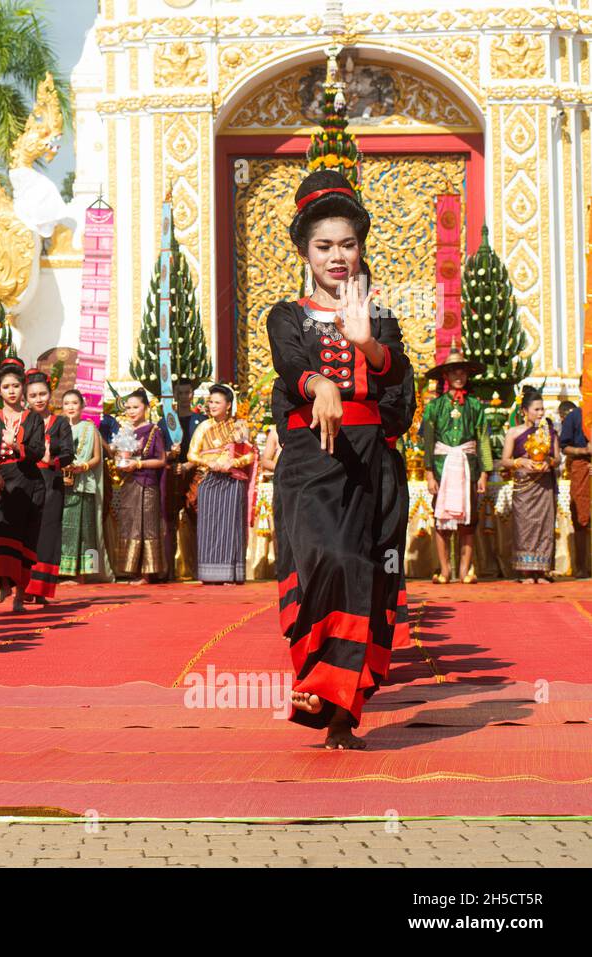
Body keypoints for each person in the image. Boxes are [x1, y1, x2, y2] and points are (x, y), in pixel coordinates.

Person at [269, 168, 411, 750]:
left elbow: (400, 394)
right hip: (311, 464)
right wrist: (319, 386)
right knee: (326, 558)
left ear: (360, 250)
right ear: (305, 250)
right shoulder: (287, 314)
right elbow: (288, 364)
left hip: (373, 468)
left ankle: (338, 712)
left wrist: (366, 343)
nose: (337, 256)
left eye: (347, 245)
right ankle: (316, 678)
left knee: (368, 574)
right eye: (324, 245)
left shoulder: (381, 319)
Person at [422, 345, 492, 584]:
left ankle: (465, 569)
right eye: (454, 372)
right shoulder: (434, 407)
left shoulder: (475, 406)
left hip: (467, 468)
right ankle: (444, 569)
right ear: (446, 376)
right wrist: (429, 474)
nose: (458, 377)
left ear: (467, 375)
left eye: (462, 372)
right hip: (442, 467)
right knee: (441, 520)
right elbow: (428, 442)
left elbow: (482, 438)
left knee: (469, 520)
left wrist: (483, 473)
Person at [0, 357, 45, 611]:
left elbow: (37, 452)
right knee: (1, 532)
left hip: (29, 482)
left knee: (25, 538)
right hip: (0, 480)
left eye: (16, 386)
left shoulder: (33, 419)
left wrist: (14, 444)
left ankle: (20, 594)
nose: (11, 391)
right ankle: (3, 585)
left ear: (23, 388)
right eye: (6, 386)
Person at [189, 384, 255, 585]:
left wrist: (233, 463)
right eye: (210, 401)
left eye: (217, 402)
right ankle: (209, 574)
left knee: (229, 527)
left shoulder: (239, 426)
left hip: (232, 481)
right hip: (209, 481)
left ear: (228, 405)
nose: (212, 405)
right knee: (208, 527)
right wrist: (209, 462)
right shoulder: (203, 427)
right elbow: (191, 454)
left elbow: (251, 454)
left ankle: (230, 574)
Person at [25, 370, 74, 603]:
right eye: (33, 395)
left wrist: (52, 459)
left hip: (52, 481)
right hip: (26, 480)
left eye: (42, 394)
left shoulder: (60, 423)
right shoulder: (23, 420)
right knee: (27, 533)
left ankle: (41, 589)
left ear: (50, 394)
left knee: (48, 534)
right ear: (26, 397)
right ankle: (23, 587)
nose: (38, 399)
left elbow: (68, 453)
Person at [109, 389, 167, 584]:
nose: (131, 411)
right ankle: (131, 569)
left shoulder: (153, 431)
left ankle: (148, 572)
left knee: (146, 526)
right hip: (129, 482)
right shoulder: (125, 431)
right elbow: (117, 455)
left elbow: (161, 460)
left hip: (146, 484)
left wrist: (139, 464)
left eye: (136, 407)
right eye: (128, 408)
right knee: (130, 525)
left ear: (146, 408)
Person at [501, 388, 560, 584]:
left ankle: (542, 570)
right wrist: (521, 462)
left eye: (542, 409)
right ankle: (526, 571)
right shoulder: (514, 432)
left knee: (544, 526)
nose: (541, 413)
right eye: (536, 409)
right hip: (524, 487)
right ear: (524, 411)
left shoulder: (549, 432)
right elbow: (505, 461)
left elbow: (558, 459)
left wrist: (549, 462)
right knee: (524, 527)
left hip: (544, 486)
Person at [59, 388, 106, 583]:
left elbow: (96, 457)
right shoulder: (58, 428)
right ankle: (64, 572)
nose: (70, 407)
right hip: (63, 484)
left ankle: (85, 573)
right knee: (65, 528)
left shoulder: (90, 428)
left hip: (84, 483)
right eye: (67, 403)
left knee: (86, 529)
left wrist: (83, 466)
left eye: (74, 403)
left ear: (82, 406)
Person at [165, 380, 208, 581]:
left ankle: (202, 567)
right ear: (174, 394)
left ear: (192, 394)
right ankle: (168, 570)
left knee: (197, 518)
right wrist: (170, 457)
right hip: (172, 473)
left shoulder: (201, 420)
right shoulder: (166, 420)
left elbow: (207, 449)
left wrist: (190, 465)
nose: (183, 396)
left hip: (195, 473)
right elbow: (159, 448)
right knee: (169, 521)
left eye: (187, 392)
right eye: (180, 392)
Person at [558, 400, 590, 578]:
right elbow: (565, 447)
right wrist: (584, 451)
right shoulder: (574, 416)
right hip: (581, 465)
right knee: (581, 515)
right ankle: (582, 566)